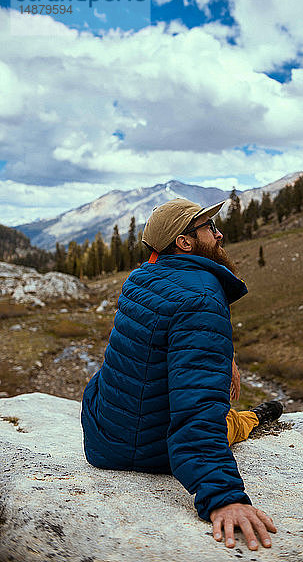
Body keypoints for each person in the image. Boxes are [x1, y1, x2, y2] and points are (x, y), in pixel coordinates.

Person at [81, 198, 283, 551]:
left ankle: (247, 416)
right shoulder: (202, 295)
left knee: (111, 378)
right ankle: (256, 417)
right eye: (210, 228)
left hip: (101, 438)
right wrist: (223, 496)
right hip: (156, 453)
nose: (219, 235)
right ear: (185, 242)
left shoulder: (142, 277)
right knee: (225, 419)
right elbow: (198, 403)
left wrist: (225, 357)